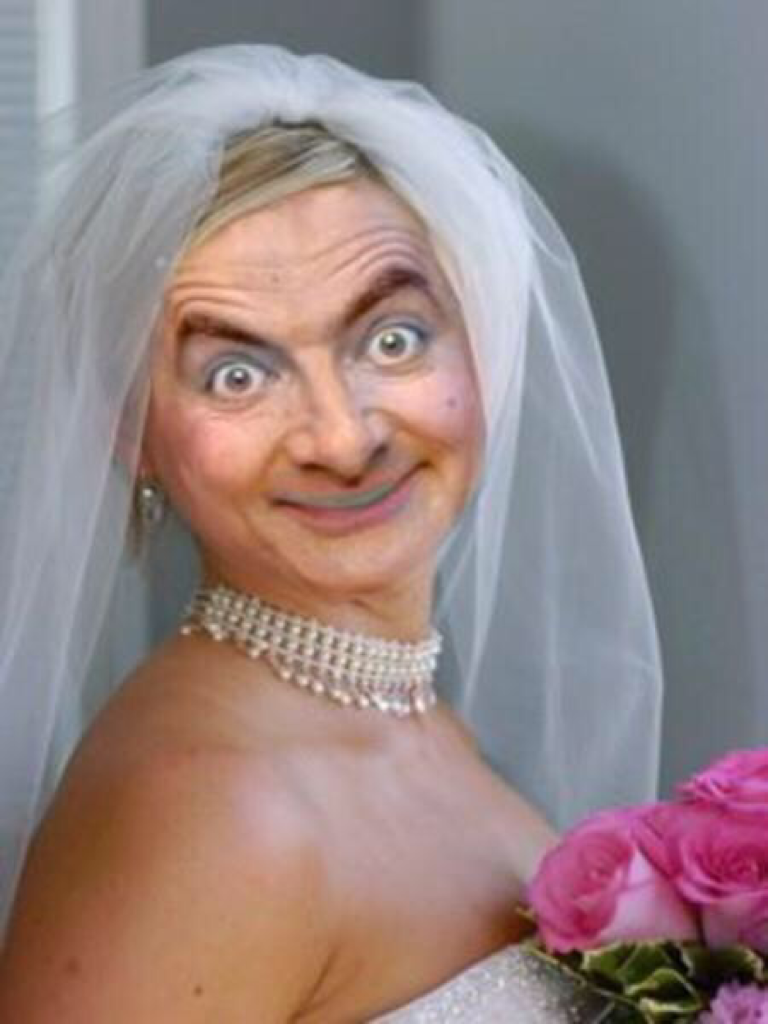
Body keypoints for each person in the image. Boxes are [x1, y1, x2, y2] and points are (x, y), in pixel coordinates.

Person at [0, 46, 662, 1021]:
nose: (344, 438)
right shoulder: (211, 810)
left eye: (392, 338)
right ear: (130, 432)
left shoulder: (414, 730)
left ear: (481, 342)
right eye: (238, 375)